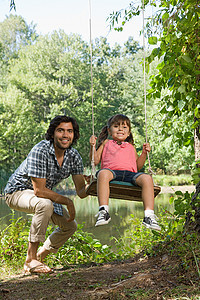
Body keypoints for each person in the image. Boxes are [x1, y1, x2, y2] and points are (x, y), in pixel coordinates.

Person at [4, 115, 88, 274]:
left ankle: (40, 257)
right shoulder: (40, 150)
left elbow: (81, 192)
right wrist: (68, 201)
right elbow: (39, 191)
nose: (65, 135)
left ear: (74, 135)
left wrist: (97, 185)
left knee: (70, 226)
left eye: (69, 131)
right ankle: (30, 259)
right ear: (52, 133)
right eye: (60, 130)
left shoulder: (74, 156)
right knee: (44, 204)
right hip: (17, 191)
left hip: (43, 195)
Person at [89, 114, 161, 231]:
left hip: (130, 175)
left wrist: (144, 153)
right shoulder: (106, 143)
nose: (120, 129)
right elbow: (95, 160)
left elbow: (137, 166)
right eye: (116, 126)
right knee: (102, 174)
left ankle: (149, 216)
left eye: (124, 127)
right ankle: (104, 211)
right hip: (111, 173)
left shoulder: (130, 146)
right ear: (109, 130)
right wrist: (92, 146)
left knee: (147, 178)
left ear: (128, 133)